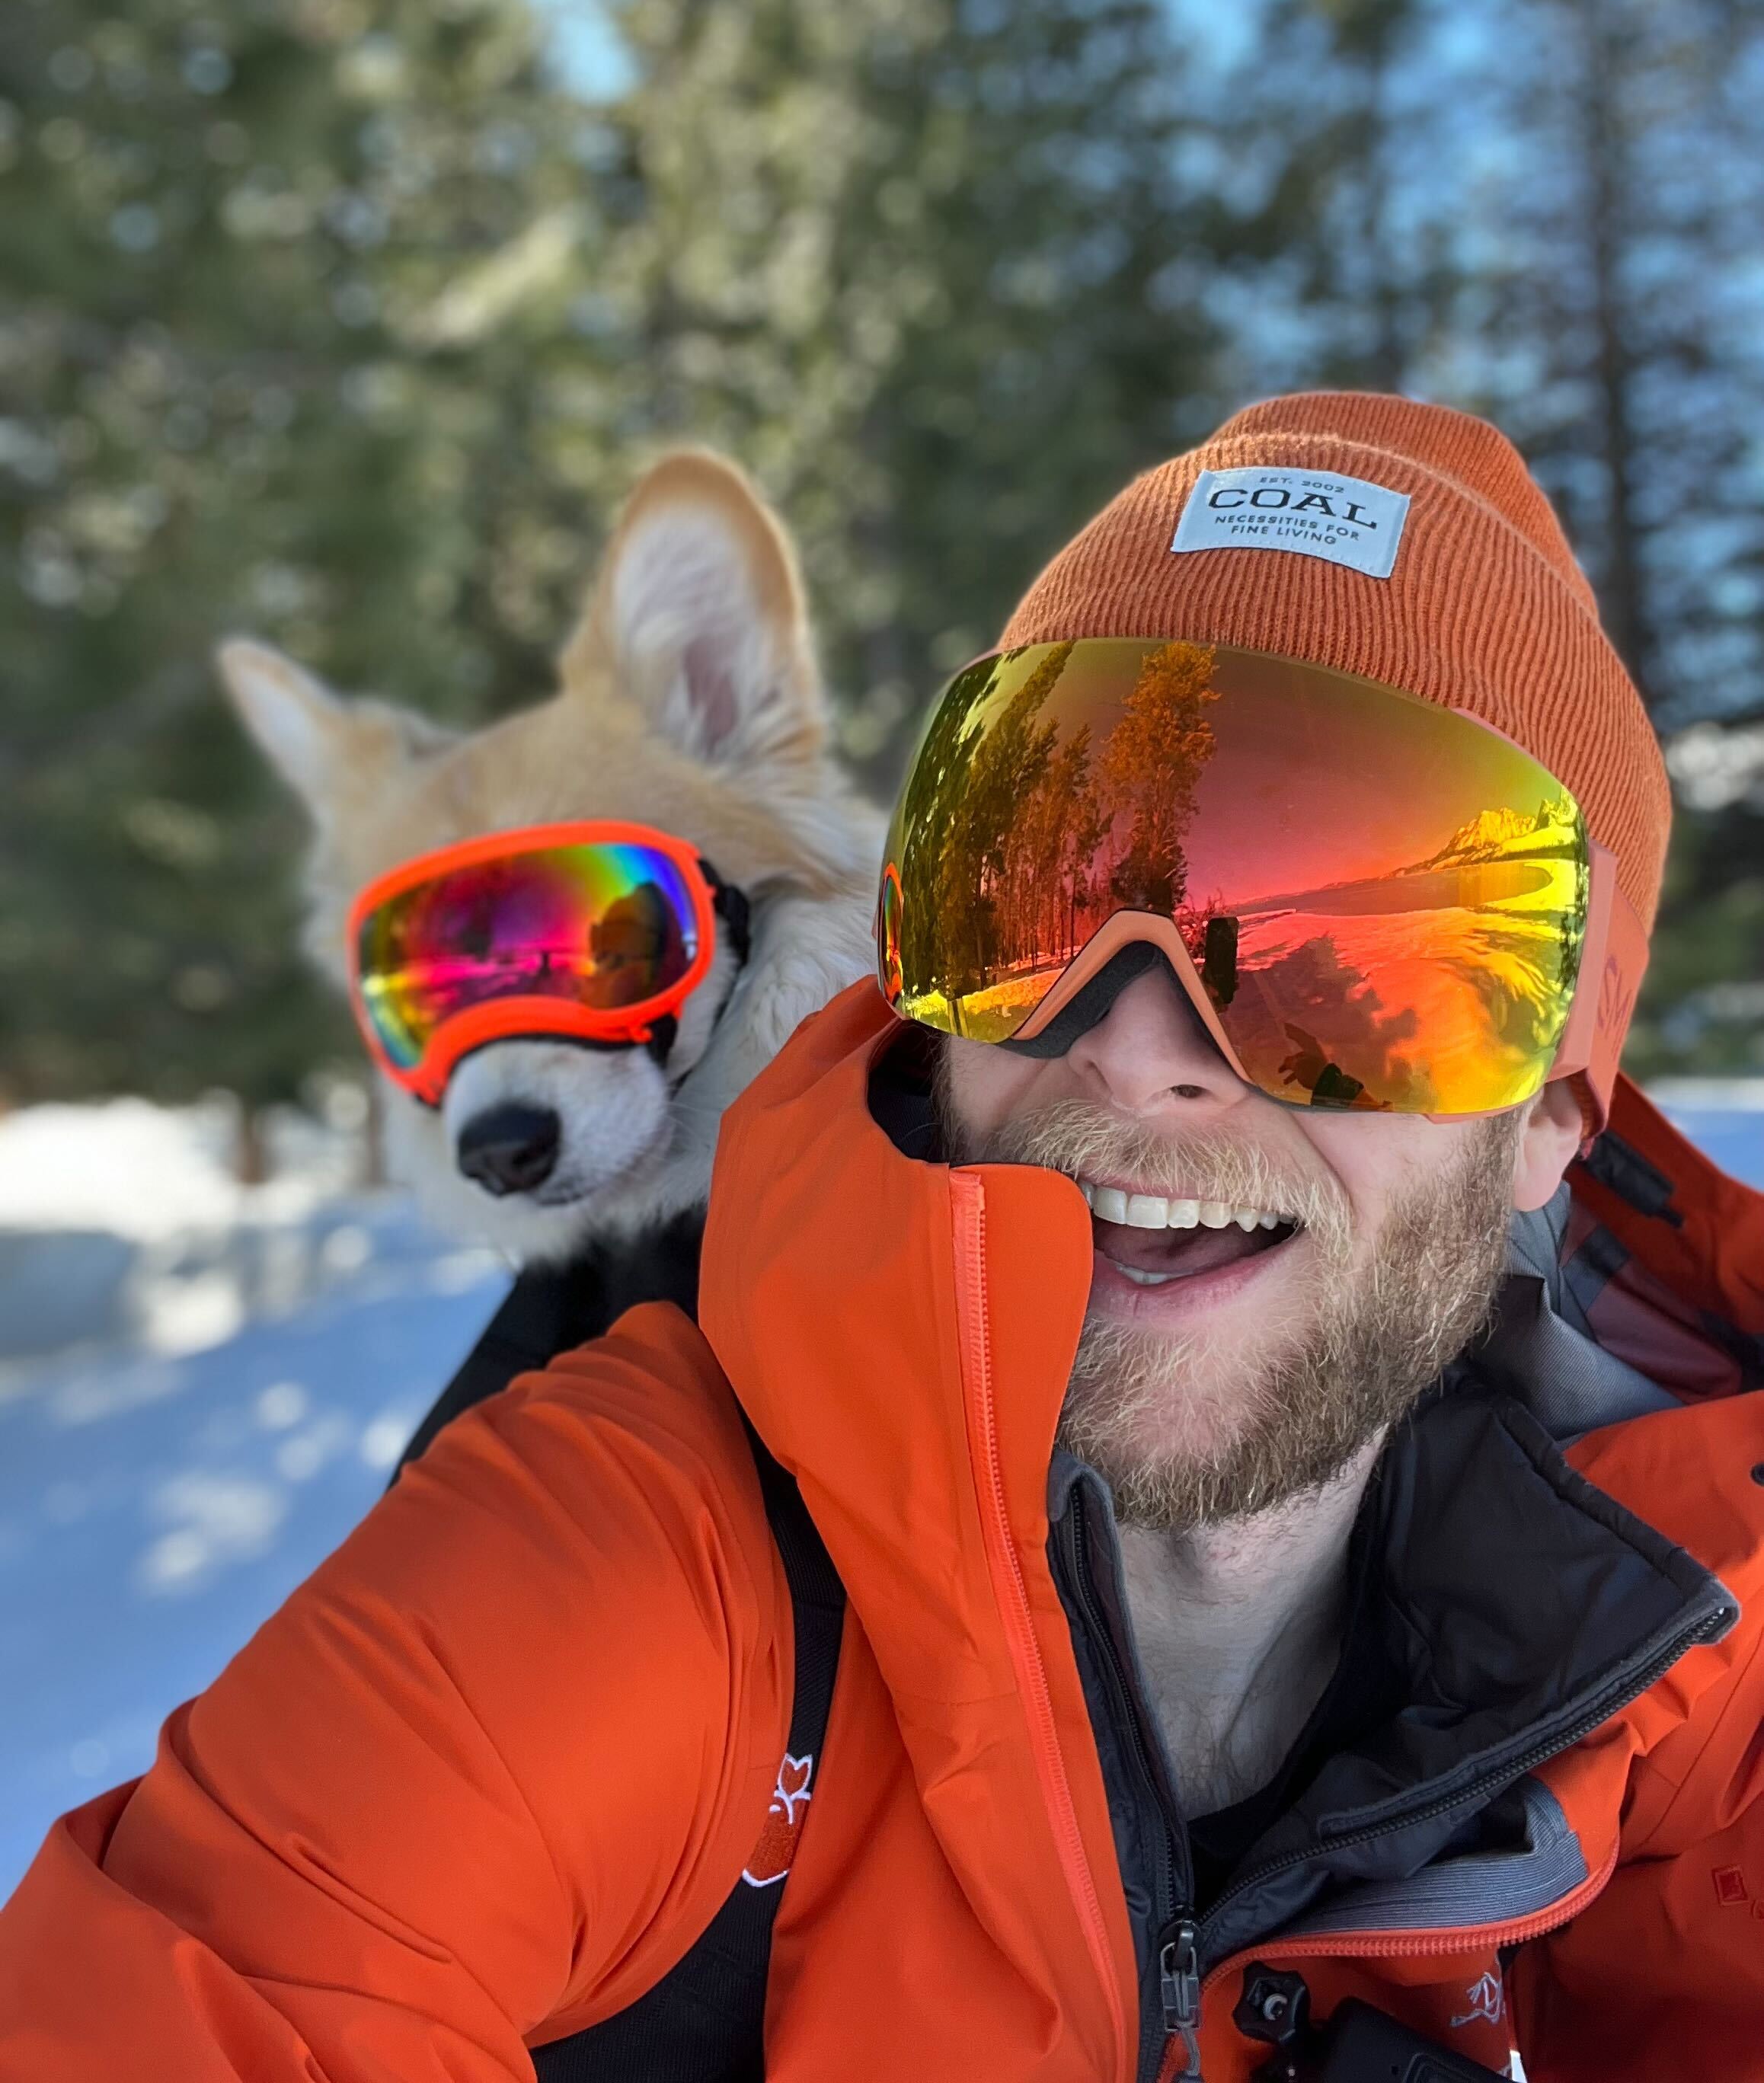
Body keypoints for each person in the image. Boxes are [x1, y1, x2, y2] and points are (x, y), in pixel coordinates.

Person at [4, 392, 1763, 2083]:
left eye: (1340, 957)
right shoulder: (626, 1572)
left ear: (1552, 1121)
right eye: (1042, 883)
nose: (1135, 1047)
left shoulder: (1676, 1630)